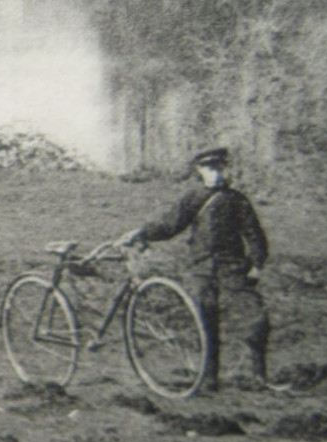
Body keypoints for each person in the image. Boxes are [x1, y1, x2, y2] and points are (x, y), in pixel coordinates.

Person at [119, 147, 285, 393]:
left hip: (233, 269)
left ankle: (258, 375)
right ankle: (208, 379)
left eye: (219, 168)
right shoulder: (194, 198)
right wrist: (142, 232)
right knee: (205, 323)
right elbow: (170, 225)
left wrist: (257, 265)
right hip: (201, 269)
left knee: (255, 317)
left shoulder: (237, 200)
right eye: (210, 168)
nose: (216, 174)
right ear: (199, 171)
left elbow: (255, 235)